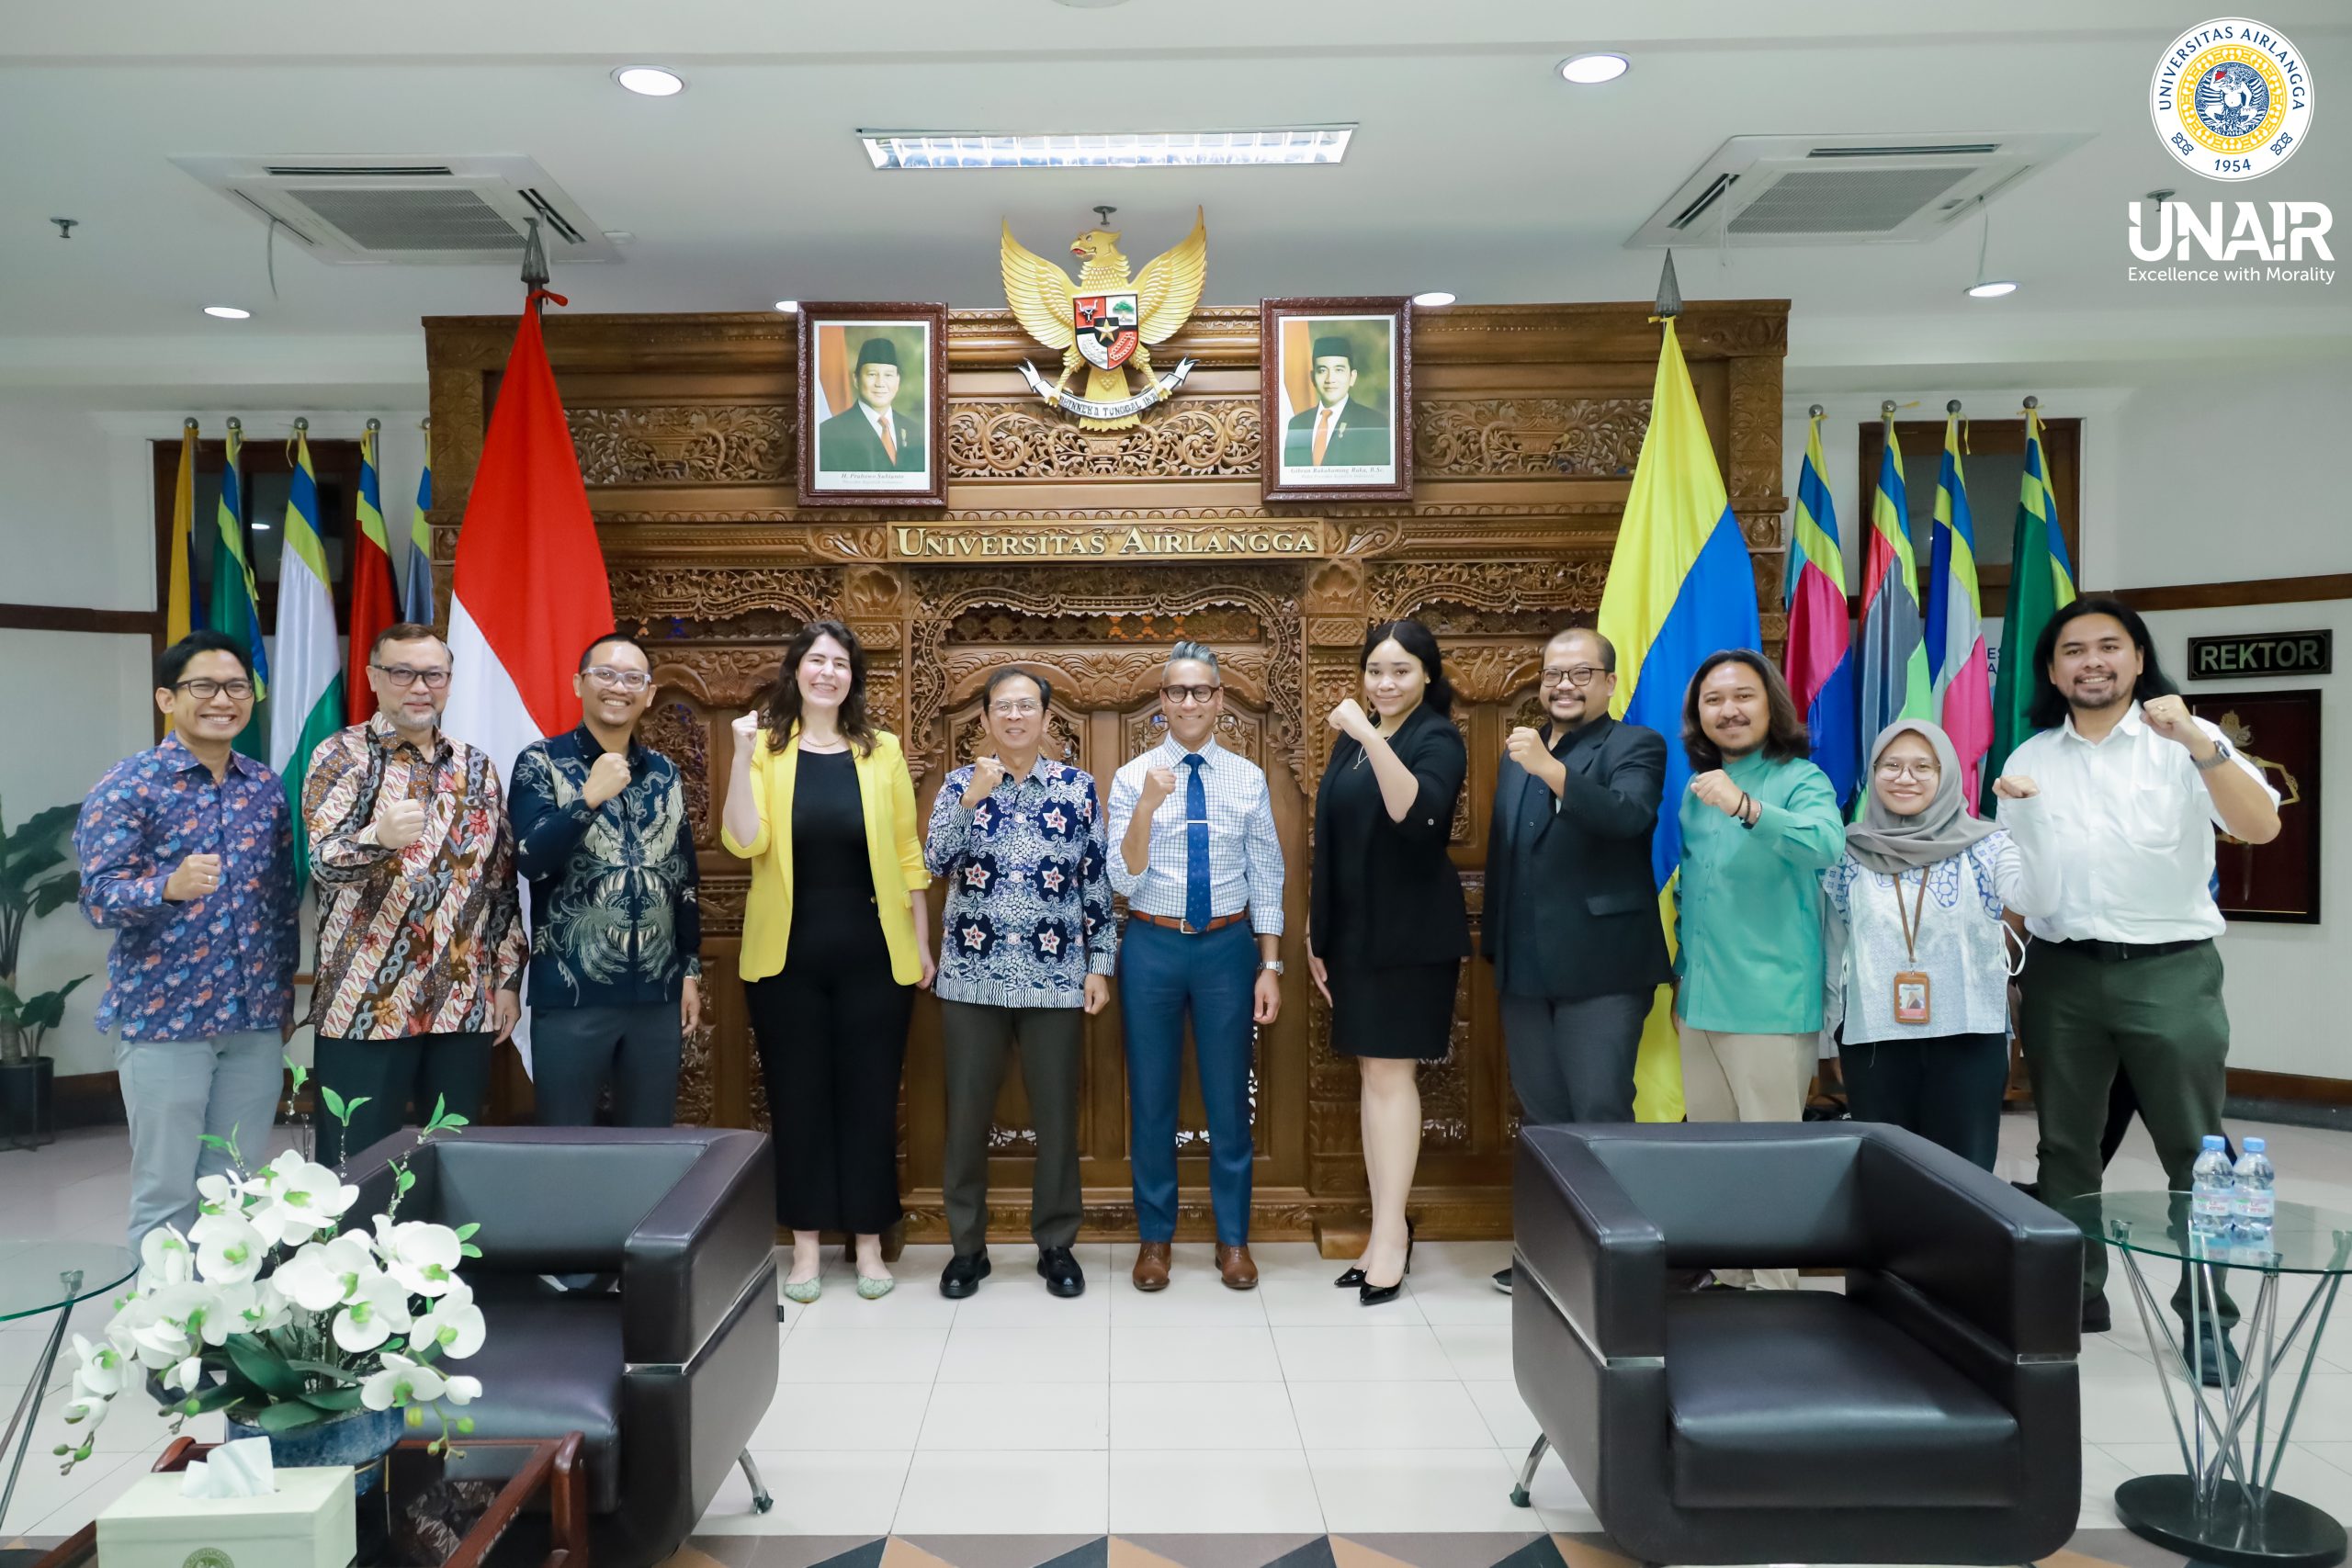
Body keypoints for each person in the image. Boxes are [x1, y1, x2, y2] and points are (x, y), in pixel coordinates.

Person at [1995, 596, 2278, 1381]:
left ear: (2138, 658)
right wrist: (2007, 964)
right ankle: (2073, 1294)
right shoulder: (2031, 757)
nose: (2092, 661)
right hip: (2062, 972)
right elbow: (2016, 874)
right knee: (2064, 1148)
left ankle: (2209, 1317)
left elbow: (2260, 826)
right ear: (2053, 671)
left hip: (2170, 970)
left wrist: (2200, 744)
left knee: (2197, 1151)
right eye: (2074, 650)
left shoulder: (2189, 742)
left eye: (2109, 646)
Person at [721, 619, 933, 1303]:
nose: (827, 672)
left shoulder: (881, 750)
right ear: (796, 672)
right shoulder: (766, 749)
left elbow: (907, 853)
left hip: (876, 957)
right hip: (786, 963)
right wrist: (740, 756)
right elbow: (742, 841)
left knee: (871, 1098)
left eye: (840, 663)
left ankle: (868, 1242)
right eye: (816, 660)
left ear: (852, 679)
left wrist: (921, 942)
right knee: (798, 1100)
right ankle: (806, 1246)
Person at [74, 631, 300, 1252]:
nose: (222, 699)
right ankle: (162, 1316)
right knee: (166, 1191)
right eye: (204, 686)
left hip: (253, 1020)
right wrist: (166, 888)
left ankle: (221, 1311)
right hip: (164, 1019)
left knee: (235, 1186)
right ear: (167, 698)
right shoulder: (129, 784)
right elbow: (97, 899)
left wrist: (282, 998)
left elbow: (281, 902)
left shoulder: (265, 787)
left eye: (236, 687)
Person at [1482, 626, 1669, 1294]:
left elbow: (1628, 817)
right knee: (1544, 1121)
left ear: (1609, 682)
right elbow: (1507, 854)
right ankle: (1551, 1258)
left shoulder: (1634, 745)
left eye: (1580, 673)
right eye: (1554, 673)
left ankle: (1619, 1265)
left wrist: (1550, 769)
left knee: (1599, 1113)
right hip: (1526, 969)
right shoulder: (1521, 752)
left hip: (1602, 969)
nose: (1564, 684)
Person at [923, 668, 1116, 1299]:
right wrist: (971, 801)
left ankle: (1056, 1243)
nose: (1014, 716)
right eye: (1002, 706)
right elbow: (933, 862)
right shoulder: (960, 784)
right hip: (971, 980)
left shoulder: (1077, 788)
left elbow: (1095, 881)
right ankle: (967, 1249)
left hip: (1055, 978)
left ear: (1045, 717)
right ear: (984, 718)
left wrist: (1099, 962)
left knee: (1057, 1117)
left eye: (1026, 705)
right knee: (966, 1119)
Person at [305, 623, 526, 1165]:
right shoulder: (342, 755)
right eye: (403, 673)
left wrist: (507, 980)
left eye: (433, 675)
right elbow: (322, 863)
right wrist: (376, 840)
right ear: (373, 678)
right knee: (354, 1163)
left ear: (449, 681)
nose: (420, 687)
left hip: (461, 1000)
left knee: (453, 1158)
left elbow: (499, 884)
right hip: (364, 1000)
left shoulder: (477, 766)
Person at [1107, 641, 1285, 1292]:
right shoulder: (1133, 776)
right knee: (1152, 1097)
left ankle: (1233, 1239)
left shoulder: (1247, 776)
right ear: (1162, 701)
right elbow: (1121, 876)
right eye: (1178, 691)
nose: (1190, 701)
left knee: (1228, 1099)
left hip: (1226, 948)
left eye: (1201, 691)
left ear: (1219, 700)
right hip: (1152, 945)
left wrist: (1271, 965)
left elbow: (1268, 873)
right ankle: (1155, 1238)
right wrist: (1147, 807)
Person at [1308, 621, 1469, 1307]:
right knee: (1373, 1076)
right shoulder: (1354, 738)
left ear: (1428, 674)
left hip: (1410, 936)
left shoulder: (1437, 738)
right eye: (1375, 670)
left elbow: (1418, 817)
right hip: (1355, 935)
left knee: (1391, 1075)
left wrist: (1369, 734)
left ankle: (1393, 1240)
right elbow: (1330, 838)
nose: (1385, 683)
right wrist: (1318, 931)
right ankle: (1384, 1232)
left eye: (1400, 670)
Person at [1673, 649, 1845, 1291]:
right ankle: (1730, 1282)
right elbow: (1695, 894)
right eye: (1713, 700)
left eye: (1743, 695)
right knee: (1715, 1161)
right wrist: (1683, 979)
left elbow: (1825, 844)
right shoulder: (1697, 790)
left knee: (1769, 1163)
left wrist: (1747, 807)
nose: (1729, 710)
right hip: (1701, 1002)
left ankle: (1778, 1300)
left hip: (1769, 1001)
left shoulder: (1801, 778)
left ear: (1771, 704)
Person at [1824, 720, 2057, 1171]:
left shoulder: (1987, 845)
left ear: (1946, 773)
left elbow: (2040, 901)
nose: (1905, 778)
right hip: (1875, 1041)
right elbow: (1836, 950)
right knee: (1885, 1174)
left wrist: (2031, 816)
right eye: (1891, 765)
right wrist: (1833, 1033)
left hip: (1968, 1038)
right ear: (1873, 773)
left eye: (1922, 767)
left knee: (1963, 1175)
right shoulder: (1846, 852)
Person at [509, 633, 700, 1128]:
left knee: (650, 1142)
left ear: (649, 693)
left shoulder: (665, 772)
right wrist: (587, 799)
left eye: (633, 678)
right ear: (579, 684)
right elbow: (530, 860)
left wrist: (690, 970)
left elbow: (683, 877)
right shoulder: (540, 761)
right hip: (571, 992)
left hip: (657, 994)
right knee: (566, 1142)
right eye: (606, 674)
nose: (619, 687)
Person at [817, 337, 925, 474]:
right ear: (856, 380)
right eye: (872, 374)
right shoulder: (829, 433)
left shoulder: (914, 430)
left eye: (888, 375)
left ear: (897, 381)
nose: (880, 383)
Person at [1282, 335, 1391, 468]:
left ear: (1352, 377)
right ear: (1313, 378)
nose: (1330, 379)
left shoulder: (1374, 423)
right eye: (1322, 370)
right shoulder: (1297, 424)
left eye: (1339, 370)